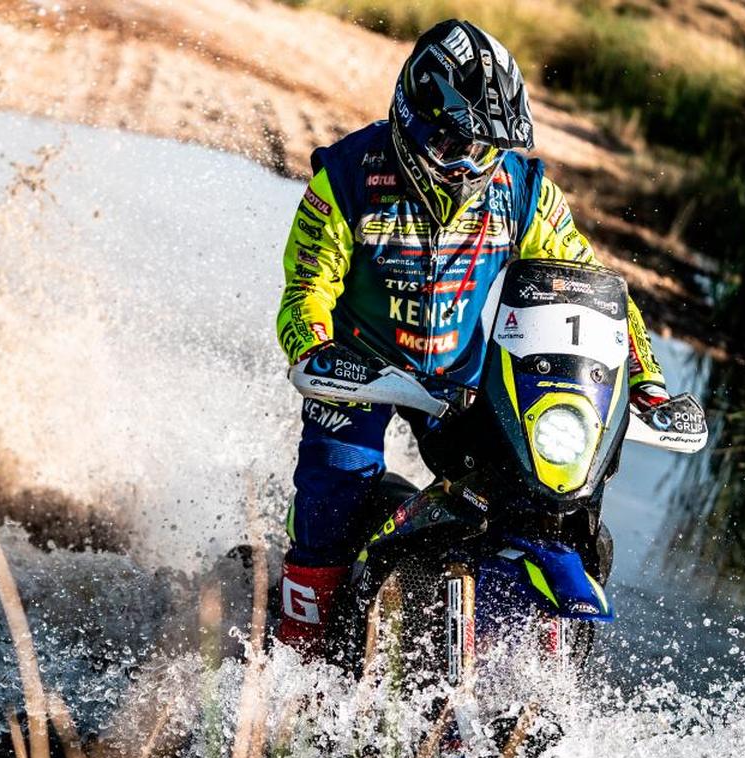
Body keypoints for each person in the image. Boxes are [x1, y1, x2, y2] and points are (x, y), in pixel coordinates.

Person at [273, 20, 670, 655]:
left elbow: (597, 290)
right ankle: (297, 663)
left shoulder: (525, 190)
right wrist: (316, 349)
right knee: (333, 496)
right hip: (358, 372)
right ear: (416, 119)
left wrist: (646, 379)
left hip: (465, 380)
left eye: (487, 148)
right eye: (460, 144)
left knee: (549, 503)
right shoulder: (345, 178)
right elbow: (305, 291)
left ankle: (526, 662)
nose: (475, 162)